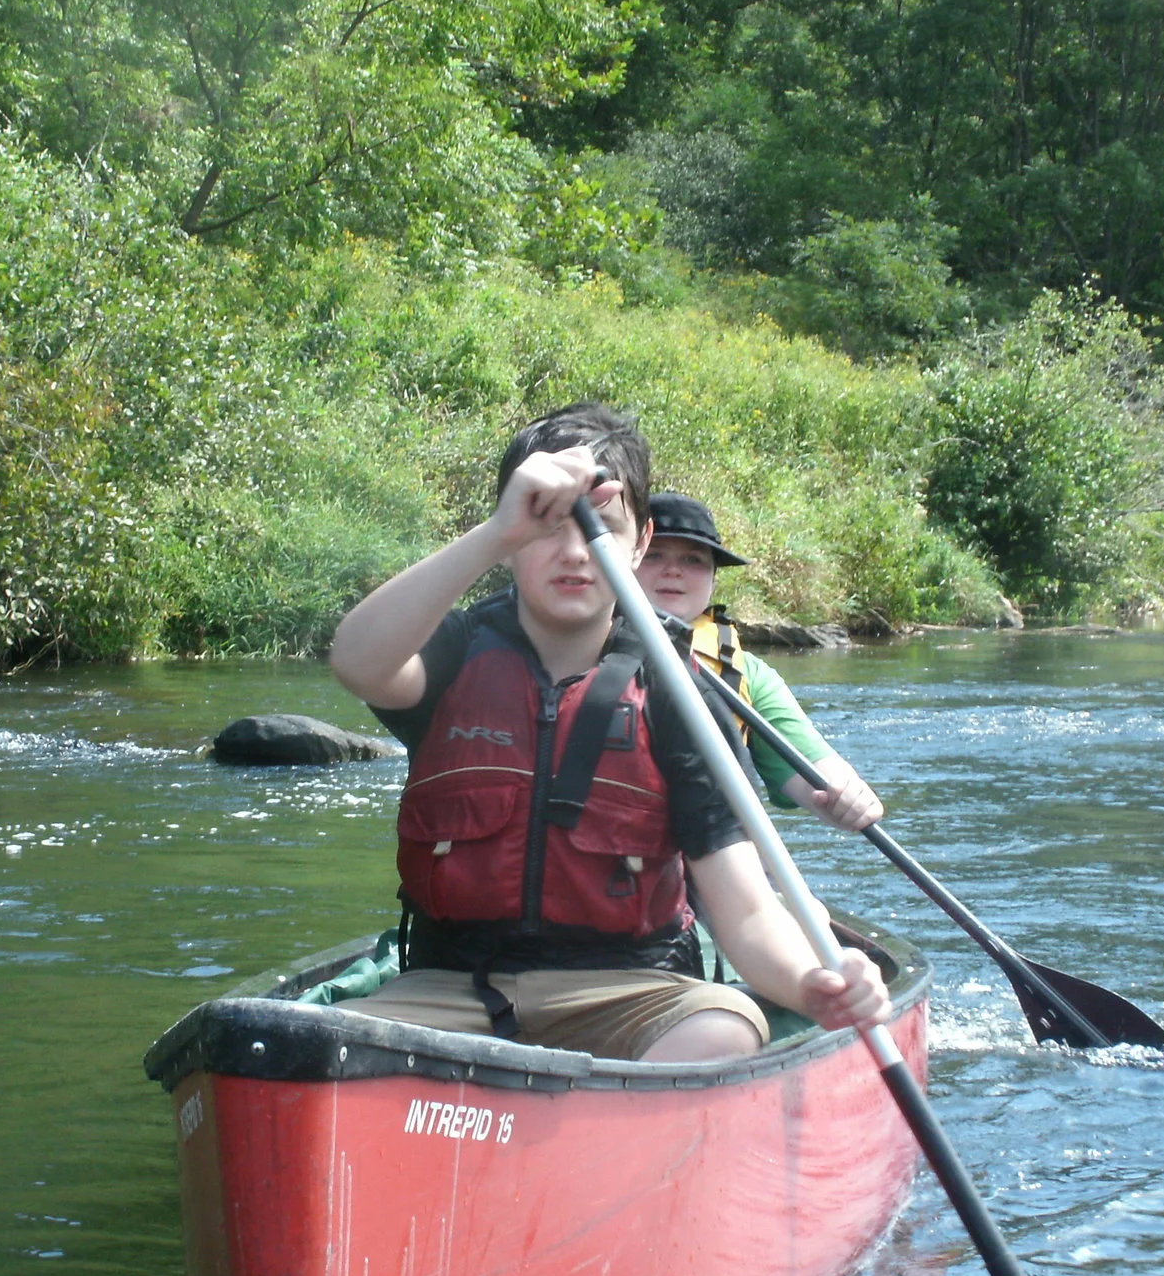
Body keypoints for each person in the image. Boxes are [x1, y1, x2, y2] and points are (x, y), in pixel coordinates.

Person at [327, 403, 892, 1064]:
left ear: (639, 542)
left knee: (723, 1028)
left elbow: (745, 911)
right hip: (450, 989)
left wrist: (810, 984)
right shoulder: (453, 651)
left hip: (630, 993)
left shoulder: (679, 695)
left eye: (598, 528)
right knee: (322, 1046)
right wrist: (496, 530)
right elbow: (356, 661)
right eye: (545, 525)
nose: (573, 552)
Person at [636, 492, 884, 832]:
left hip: (710, 850)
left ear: (713, 580)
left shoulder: (748, 674)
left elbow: (814, 778)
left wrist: (848, 795)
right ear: (627, 559)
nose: (673, 571)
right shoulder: (582, 640)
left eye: (694, 560)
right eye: (655, 555)